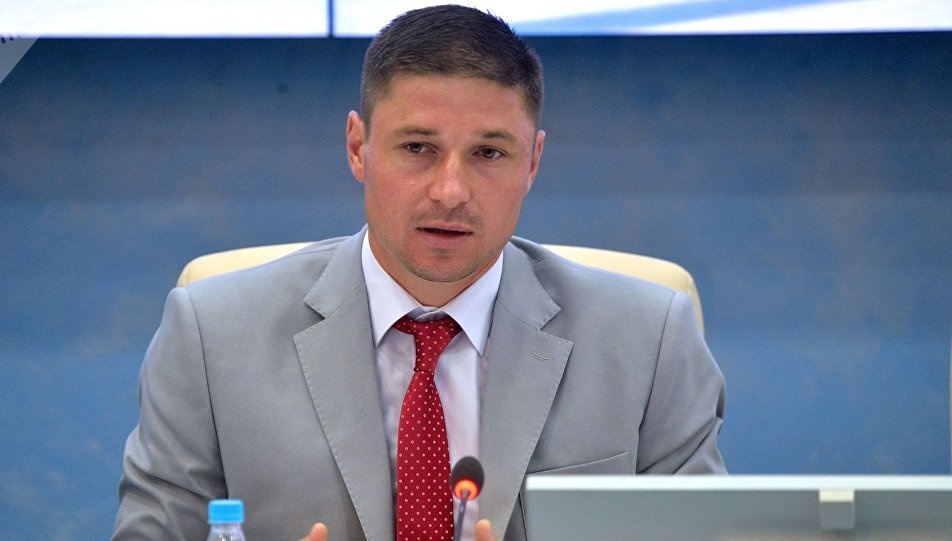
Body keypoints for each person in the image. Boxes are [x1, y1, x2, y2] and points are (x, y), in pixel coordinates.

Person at [112, 5, 726, 541]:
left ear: (533, 161)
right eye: (417, 148)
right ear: (358, 147)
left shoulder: (647, 340)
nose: (451, 190)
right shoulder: (211, 337)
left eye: (489, 153)